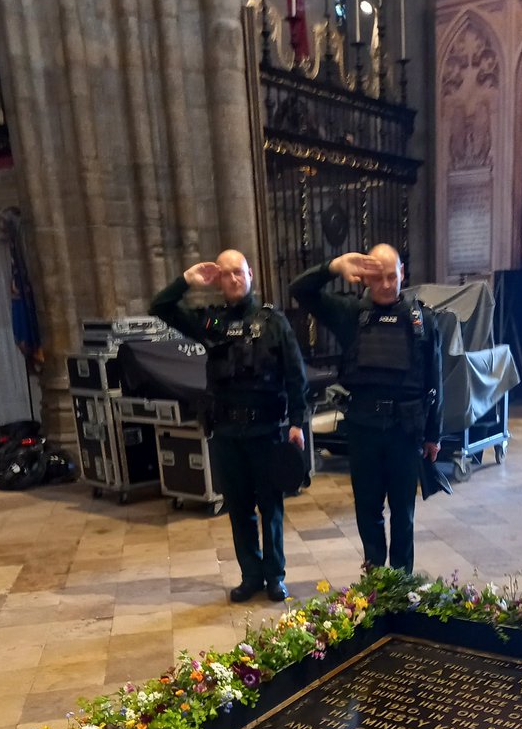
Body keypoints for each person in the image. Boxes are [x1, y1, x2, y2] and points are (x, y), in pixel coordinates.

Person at [150, 250, 308, 603]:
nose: (233, 279)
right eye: (226, 275)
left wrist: (297, 422)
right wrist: (187, 280)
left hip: (266, 432)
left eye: (238, 272)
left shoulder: (274, 322)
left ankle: (274, 577)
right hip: (226, 434)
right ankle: (250, 575)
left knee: (271, 508)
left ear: (250, 273)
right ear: (218, 280)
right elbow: (159, 307)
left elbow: (296, 376)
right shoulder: (212, 323)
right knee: (238, 509)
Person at [289, 245, 442, 573]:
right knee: (368, 508)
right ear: (365, 279)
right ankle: (375, 573)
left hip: (405, 429)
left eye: (392, 275)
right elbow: (299, 289)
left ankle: (401, 580)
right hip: (364, 428)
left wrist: (434, 434)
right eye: (378, 277)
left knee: (404, 512)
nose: (387, 284)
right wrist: (333, 265)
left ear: (403, 272)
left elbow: (435, 380)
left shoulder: (423, 320)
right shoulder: (349, 315)